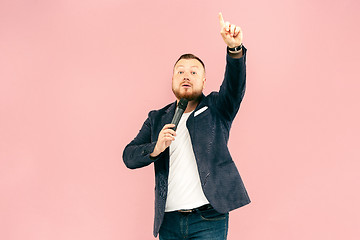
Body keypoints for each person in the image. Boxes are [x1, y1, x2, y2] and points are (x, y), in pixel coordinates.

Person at [123, 13, 250, 239]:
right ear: (172, 79)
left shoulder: (217, 108)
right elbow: (128, 157)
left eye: (194, 72)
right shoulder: (157, 118)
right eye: (180, 71)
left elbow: (234, 85)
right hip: (169, 220)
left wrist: (235, 50)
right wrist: (156, 147)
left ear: (203, 81)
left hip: (208, 218)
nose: (186, 76)